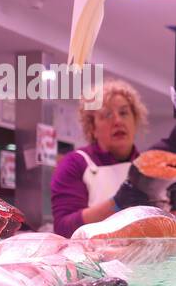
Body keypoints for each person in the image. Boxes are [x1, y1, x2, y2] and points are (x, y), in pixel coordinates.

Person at [50, 80, 151, 238]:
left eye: (124, 113)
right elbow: (63, 229)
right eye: (106, 115)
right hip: (91, 260)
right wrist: (115, 204)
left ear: (135, 120)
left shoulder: (151, 166)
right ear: (93, 128)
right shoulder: (75, 163)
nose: (117, 121)